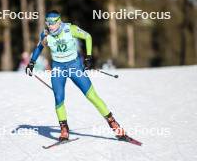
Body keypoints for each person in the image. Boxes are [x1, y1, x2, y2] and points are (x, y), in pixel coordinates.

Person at [25, 10, 125, 141]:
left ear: (59, 21)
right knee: (58, 97)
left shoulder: (70, 29)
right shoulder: (45, 35)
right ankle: (64, 130)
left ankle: (113, 123)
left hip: (74, 66)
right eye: (47, 22)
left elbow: (88, 37)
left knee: (91, 96)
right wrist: (31, 62)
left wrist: (88, 57)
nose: (49, 25)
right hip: (58, 68)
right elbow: (39, 47)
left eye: (52, 23)